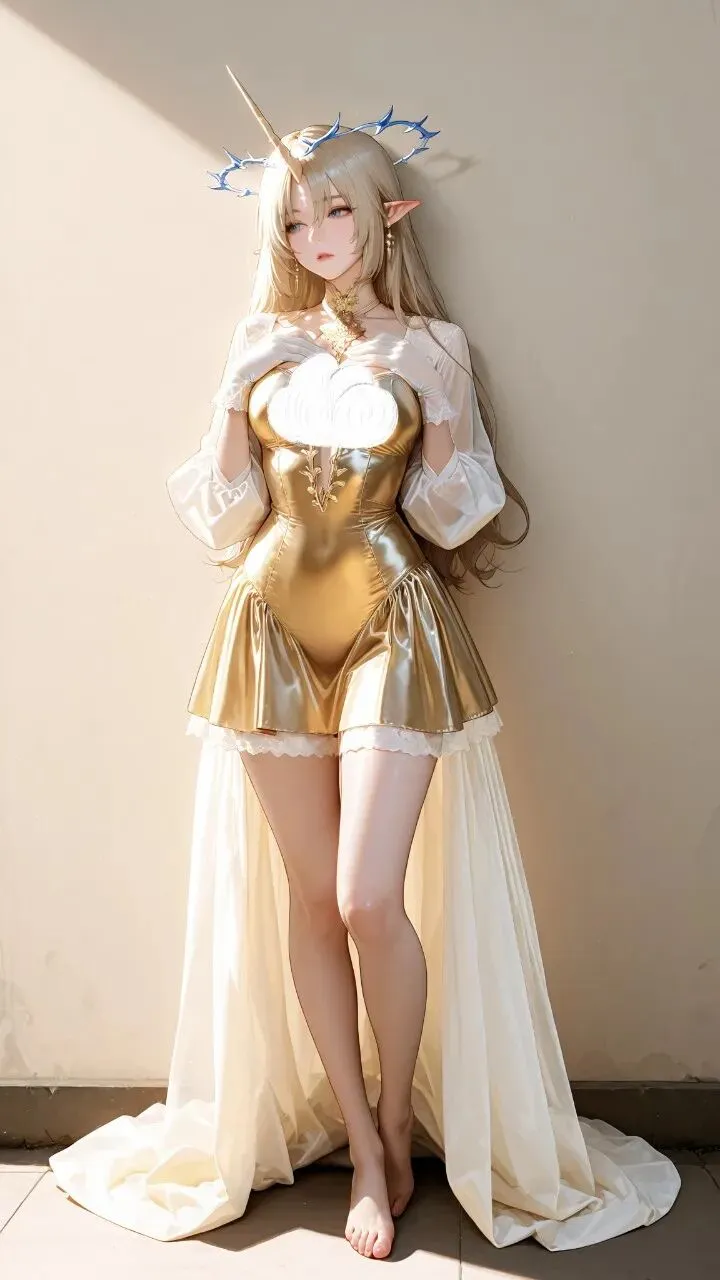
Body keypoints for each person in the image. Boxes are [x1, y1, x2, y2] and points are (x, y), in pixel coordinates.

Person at [49, 81, 680, 1260]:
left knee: (363, 897)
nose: (312, 238)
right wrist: (236, 392)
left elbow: (449, 517)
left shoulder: (436, 347)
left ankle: (395, 1113)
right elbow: (220, 519)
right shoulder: (263, 342)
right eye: (292, 221)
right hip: (270, 623)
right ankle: (365, 1145)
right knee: (309, 901)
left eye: (332, 212)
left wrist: (439, 410)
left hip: (395, 617)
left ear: (389, 215)